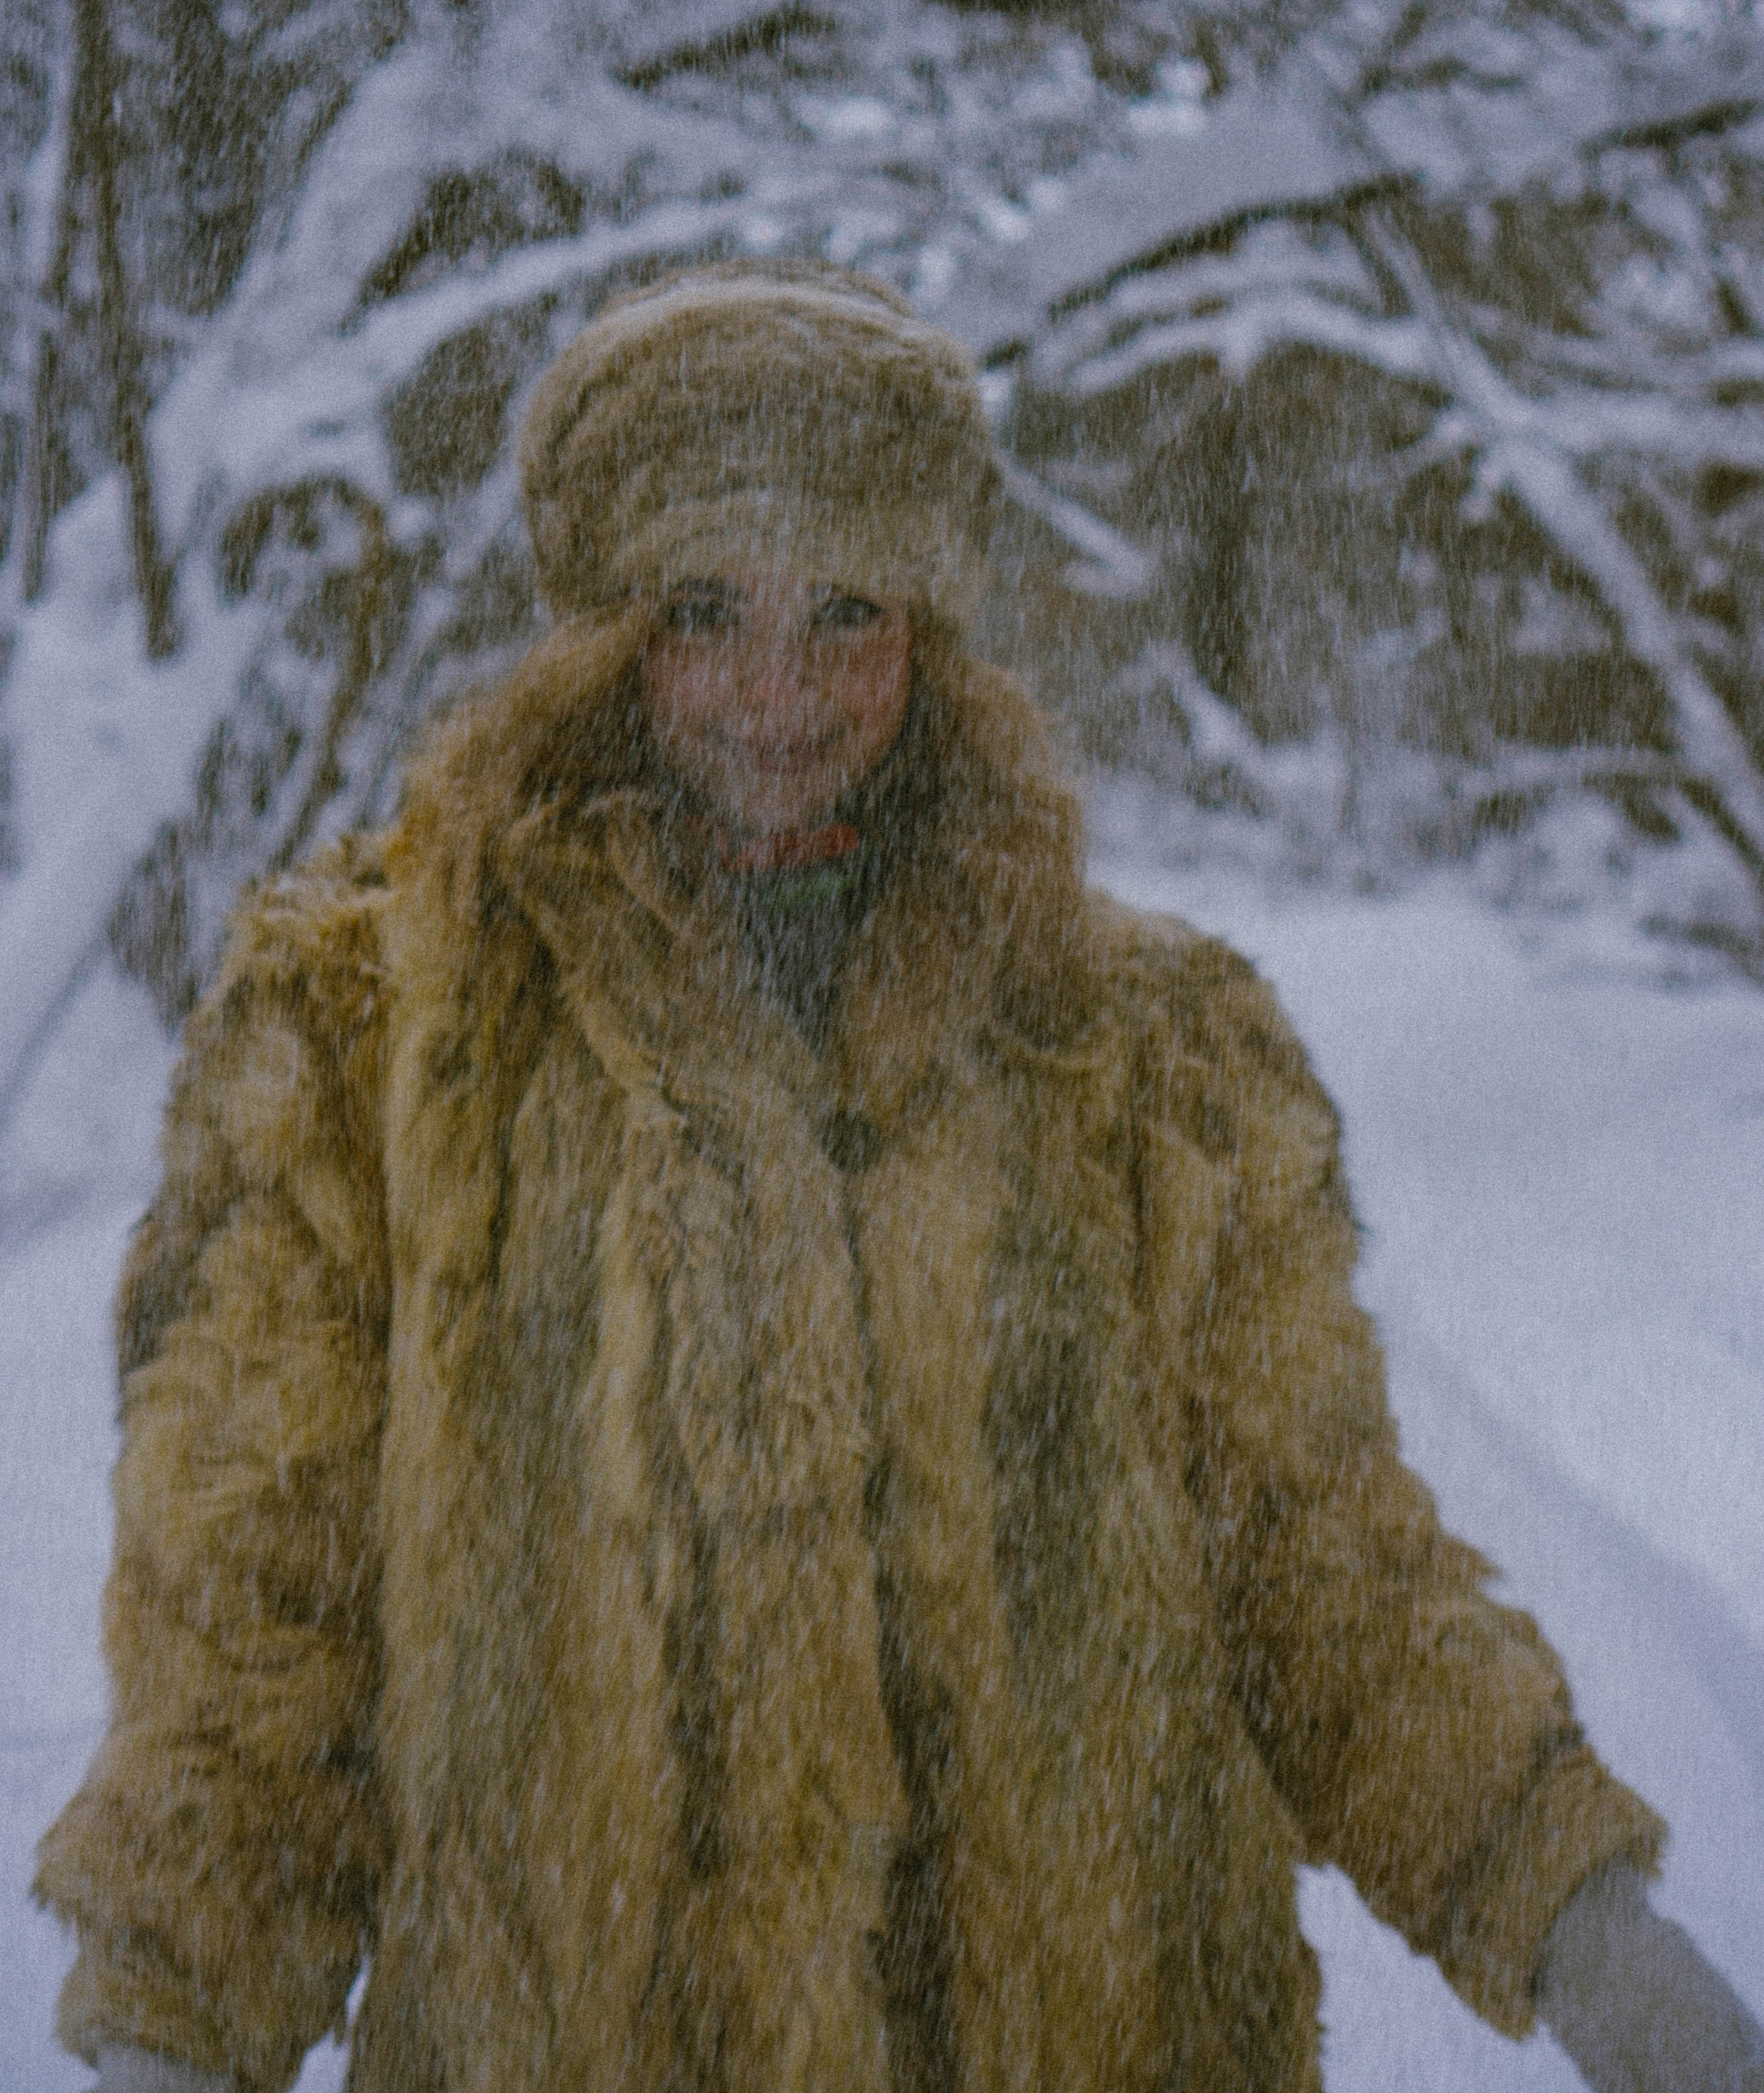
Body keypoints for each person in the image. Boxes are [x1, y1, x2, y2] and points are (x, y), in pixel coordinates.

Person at [36, 263, 1764, 2093]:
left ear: (928, 631)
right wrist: (177, 2034)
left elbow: (1318, 1573)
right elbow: (253, 1645)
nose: (777, 695)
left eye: (845, 611)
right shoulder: (366, 1039)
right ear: (608, 632)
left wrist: (1593, 1938)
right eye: (707, 610)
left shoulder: (1152, 1055)